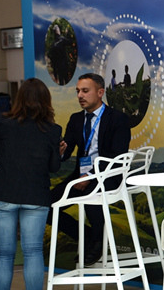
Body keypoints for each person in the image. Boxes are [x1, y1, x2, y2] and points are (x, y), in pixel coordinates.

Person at [0, 79, 63, 290]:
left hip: (2, 193)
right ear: (46, 101)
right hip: (35, 195)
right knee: (32, 253)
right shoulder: (53, 130)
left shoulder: (3, 125)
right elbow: (53, 168)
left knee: (4, 254)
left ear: (19, 99)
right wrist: (58, 151)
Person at [50, 73, 133, 264]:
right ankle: (90, 237)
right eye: (78, 91)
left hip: (108, 175)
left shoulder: (118, 118)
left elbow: (117, 156)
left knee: (90, 194)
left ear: (100, 92)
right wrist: (60, 151)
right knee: (47, 205)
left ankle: (96, 243)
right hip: (80, 176)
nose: (80, 95)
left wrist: (91, 175)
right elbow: (66, 152)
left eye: (85, 91)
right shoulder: (76, 119)